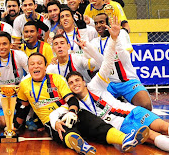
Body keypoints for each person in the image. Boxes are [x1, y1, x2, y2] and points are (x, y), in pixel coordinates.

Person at [66, 20, 169, 152]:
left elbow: (106, 62)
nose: (75, 84)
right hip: (121, 125)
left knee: (162, 126)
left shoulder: (95, 85)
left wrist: (114, 40)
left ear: (84, 82)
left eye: (77, 80)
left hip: (133, 112)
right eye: (71, 83)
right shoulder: (76, 105)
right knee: (153, 137)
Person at [15, 52, 148, 154]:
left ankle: (125, 139)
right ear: (28, 67)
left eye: (39, 63)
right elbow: (23, 108)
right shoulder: (24, 85)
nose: (36, 66)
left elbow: (71, 99)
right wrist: (14, 127)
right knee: (63, 130)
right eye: (32, 64)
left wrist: (72, 112)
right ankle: (80, 146)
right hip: (51, 120)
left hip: (68, 111)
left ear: (45, 67)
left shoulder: (57, 79)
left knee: (93, 121)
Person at [90, 13, 152, 111]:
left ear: (108, 23)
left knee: (146, 105)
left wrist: (115, 39)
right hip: (108, 84)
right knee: (99, 109)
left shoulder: (121, 33)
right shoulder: (94, 42)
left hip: (127, 81)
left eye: (101, 22)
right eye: (96, 23)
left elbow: (125, 58)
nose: (98, 25)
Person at [0, 32, 28, 128]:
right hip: (1, 95)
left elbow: (31, 73)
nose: (1, 47)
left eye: (4, 44)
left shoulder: (20, 55)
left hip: (19, 92)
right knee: (3, 123)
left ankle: (24, 117)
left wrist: (22, 84)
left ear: (10, 45)